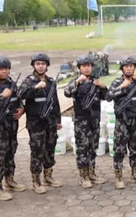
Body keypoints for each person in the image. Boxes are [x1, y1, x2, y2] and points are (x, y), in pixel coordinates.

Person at [18, 53, 62, 194]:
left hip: (50, 122)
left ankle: (48, 176)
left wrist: (58, 120)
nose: (41, 66)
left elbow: (55, 103)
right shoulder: (29, 81)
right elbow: (20, 94)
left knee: (50, 148)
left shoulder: (51, 82)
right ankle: (36, 181)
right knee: (37, 151)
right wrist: (35, 88)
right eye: (38, 64)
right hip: (35, 123)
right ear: (33, 66)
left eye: (43, 64)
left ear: (47, 66)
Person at [106, 57, 136, 189]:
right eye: (126, 66)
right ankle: (119, 176)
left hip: (135, 122)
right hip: (122, 122)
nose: (129, 68)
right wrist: (121, 87)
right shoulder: (117, 82)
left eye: (131, 66)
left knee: (135, 148)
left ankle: (135, 173)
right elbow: (108, 97)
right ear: (122, 69)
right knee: (119, 149)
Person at [64, 55, 108, 188]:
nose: (87, 68)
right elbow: (67, 92)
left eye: (89, 66)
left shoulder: (96, 81)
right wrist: (77, 82)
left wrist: (103, 86)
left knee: (93, 146)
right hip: (81, 120)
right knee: (82, 148)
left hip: (94, 119)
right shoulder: (76, 81)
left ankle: (92, 173)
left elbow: (108, 96)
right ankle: (83, 176)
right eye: (84, 66)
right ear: (79, 68)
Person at [0, 56, 25, 201]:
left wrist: (21, 109)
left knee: (10, 151)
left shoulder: (11, 83)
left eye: (7, 68)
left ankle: (9, 180)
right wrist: (1, 96)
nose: (5, 71)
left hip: (11, 124)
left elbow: (18, 100)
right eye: (2, 69)